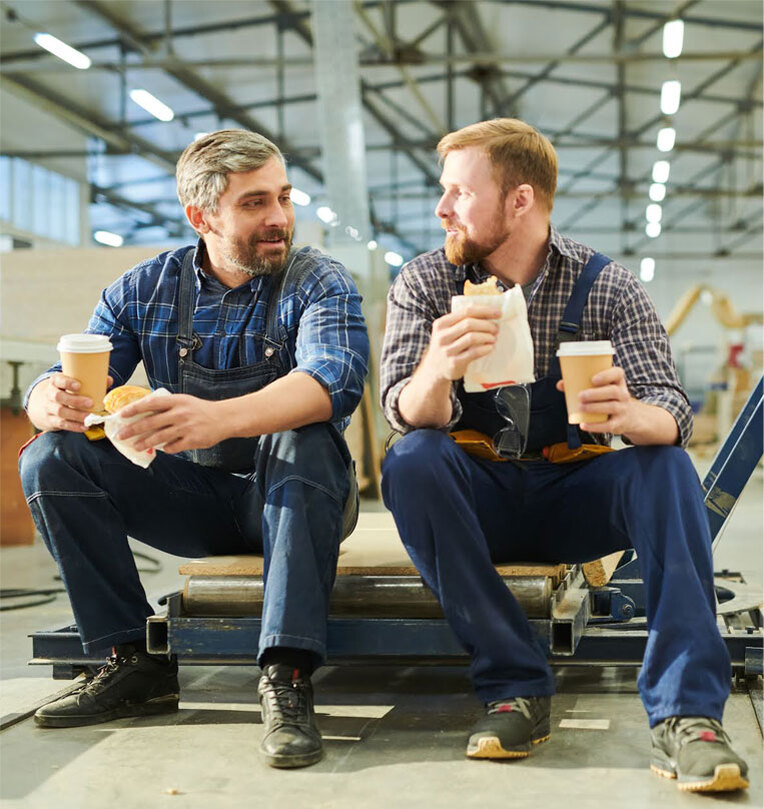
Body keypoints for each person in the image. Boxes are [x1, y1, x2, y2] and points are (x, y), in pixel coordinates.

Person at [379, 118, 749, 793]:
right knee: (412, 459)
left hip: (576, 495)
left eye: (459, 193)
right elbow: (401, 411)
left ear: (520, 200)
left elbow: (671, 405)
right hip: (477, 497)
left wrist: (635, 415)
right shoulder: (426, 282)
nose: (441, 209)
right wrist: (438, 363)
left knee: (666, 465)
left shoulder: (608, 286)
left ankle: (687, 714)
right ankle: (515, 685)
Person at [19, 129, 369, 770]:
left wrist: (216, 419)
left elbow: (331, 380)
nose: (279, 219)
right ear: (201, 216)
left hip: (297, 494)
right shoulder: (143, 289)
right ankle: (133, 663)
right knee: (48, 457)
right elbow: (77, 379)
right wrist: (46, 399)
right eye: (255, 203)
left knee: (304, 432)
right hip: (197, 500)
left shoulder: (317, 280)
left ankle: (287, 674)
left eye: (284, 198)